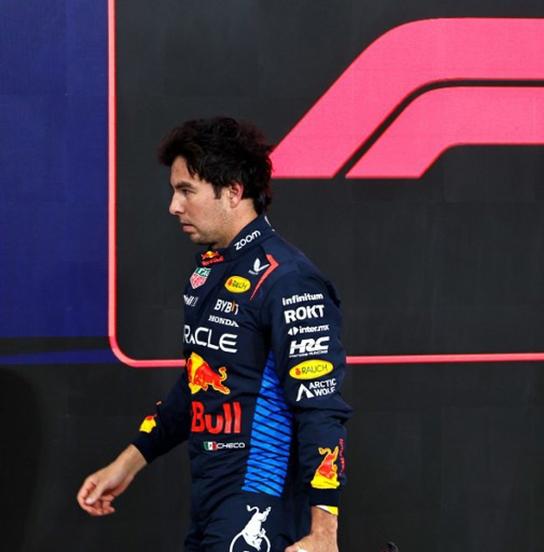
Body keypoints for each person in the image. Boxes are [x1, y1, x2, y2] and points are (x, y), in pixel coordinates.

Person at [77, 117, 351, 552]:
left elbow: (319, 409)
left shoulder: (290, 281)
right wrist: (127, 463)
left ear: (234, 191)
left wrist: (324, 533)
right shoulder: (209, 273)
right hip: (212, 501)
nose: (173, 206)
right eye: (174, 190)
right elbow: (199, 385)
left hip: (263, 503)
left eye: (187, 190)